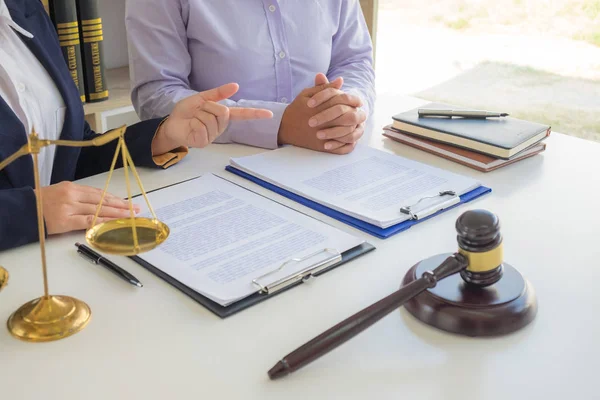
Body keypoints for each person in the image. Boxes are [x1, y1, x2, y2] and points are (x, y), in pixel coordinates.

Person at [0, 0, 279, 251]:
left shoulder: (24, 8)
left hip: (60, 254)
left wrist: (164, 135)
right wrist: (29, 213)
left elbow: (71, 154)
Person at [125, 0, 376, 155]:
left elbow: (354, 60)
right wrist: (279, 125)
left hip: (326, 158)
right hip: (215, 167)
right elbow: (155, 95)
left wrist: (347, 108)